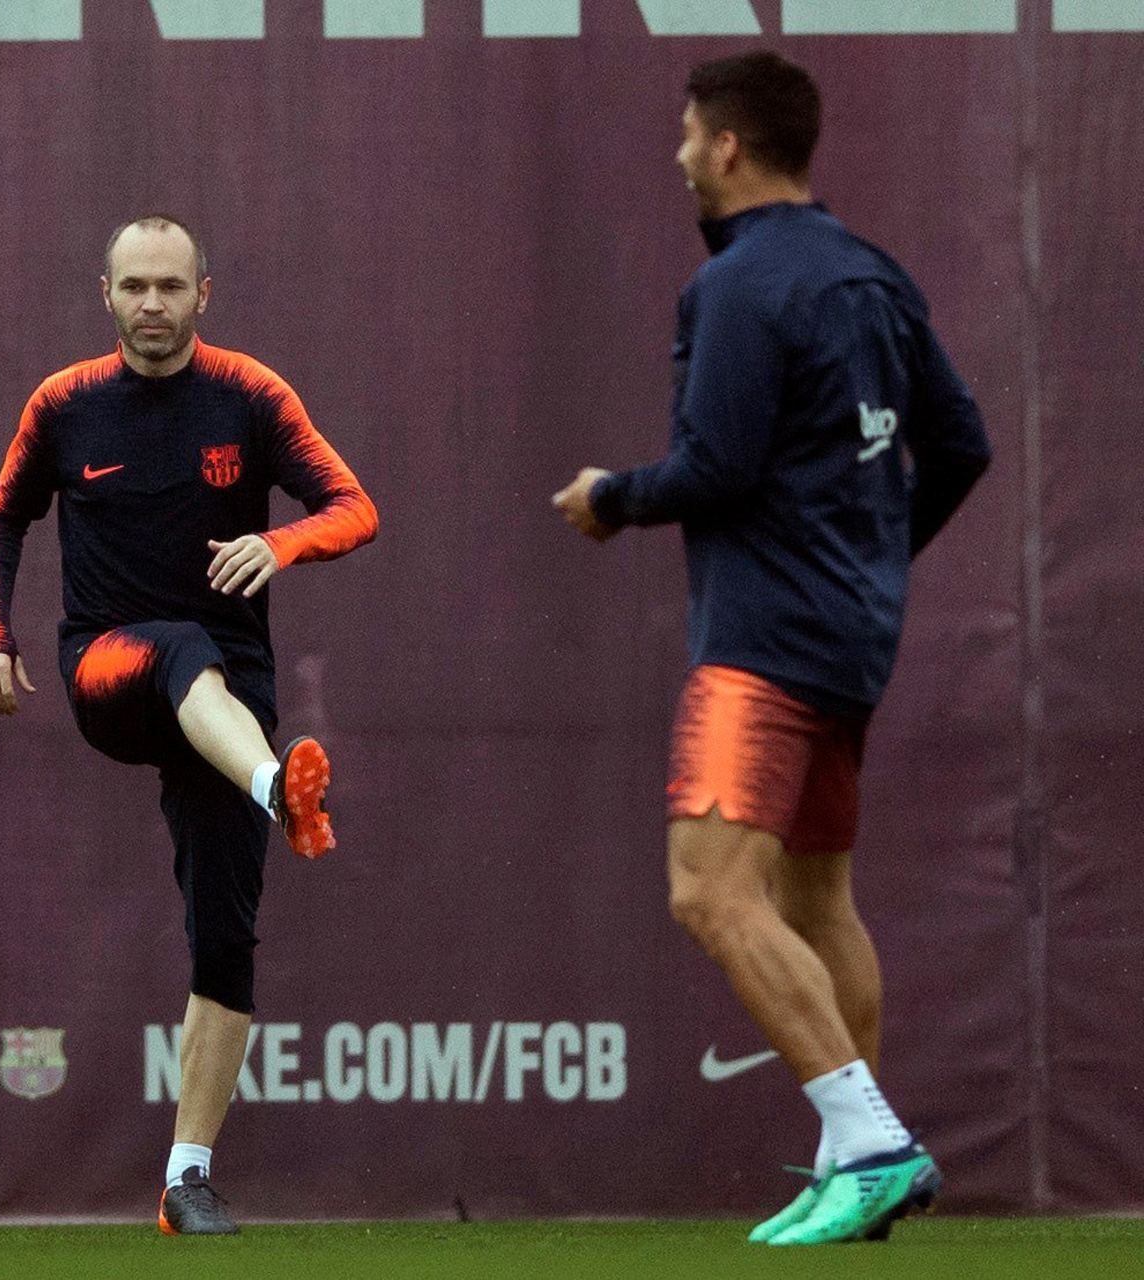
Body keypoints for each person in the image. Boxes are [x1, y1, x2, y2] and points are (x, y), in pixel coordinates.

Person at [552, 51, 991, 1246]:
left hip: (761, 645)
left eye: (691, 136)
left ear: (732, 148)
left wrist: (612, 494)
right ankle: (850, 1162)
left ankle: (873, 1143)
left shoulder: (738, 285)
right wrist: (879, 560)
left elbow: (717, 468)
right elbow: (961, 444)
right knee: (816, 898)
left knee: (709, 889)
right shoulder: (872, 271)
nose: (681, 155)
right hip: (851, 638)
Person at [0, 215, 377, 1235]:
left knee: (225, 935)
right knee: (175, 645)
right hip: (108, 665)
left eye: (171, 287)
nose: (153, 304)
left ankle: (186, 1178)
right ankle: (280, 786)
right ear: (104, 293)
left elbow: (354, 505)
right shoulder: (62, 404)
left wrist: (281, 546)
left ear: (207, 294)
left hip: (230, 696)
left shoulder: (250, 395)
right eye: (135, 287)